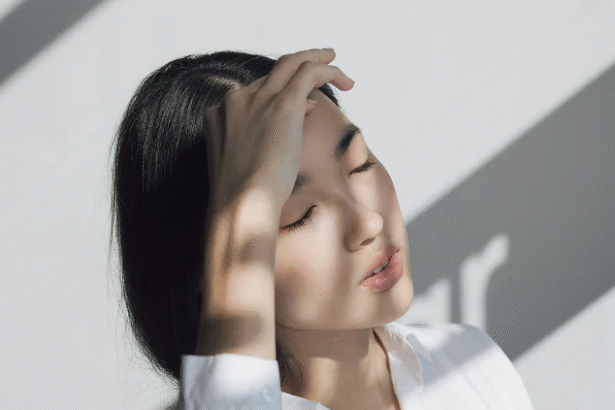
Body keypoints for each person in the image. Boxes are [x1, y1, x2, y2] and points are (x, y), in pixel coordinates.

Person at [112, 48, 533, 409]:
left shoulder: (471, 365)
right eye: (300, 215)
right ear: (209, 264)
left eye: (360, 164)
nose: (368, 222)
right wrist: (245, 209)